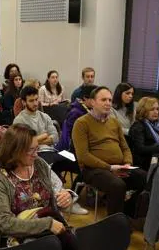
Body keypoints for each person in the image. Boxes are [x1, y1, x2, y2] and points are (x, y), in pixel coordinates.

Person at [72, 86, 147, 216]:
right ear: (93, 102)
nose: (108, 103)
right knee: (117, 185)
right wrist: (110, 168)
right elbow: (83, 156)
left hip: (119, 167)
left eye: (110, 100)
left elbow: (125, 148)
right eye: (103, 100)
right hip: (93, 170)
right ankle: (115, 223)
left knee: (146, 178)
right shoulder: (81, 123)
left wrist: (127, 164)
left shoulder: (114, 122)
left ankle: (128, 212)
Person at [13, 86, 85, 214]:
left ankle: (75, 194)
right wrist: (44, 136)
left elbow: (55, 137)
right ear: (24, 102)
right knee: (48, 168)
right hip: (36, 154)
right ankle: (63, 202)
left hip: (53, 151)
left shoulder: (44, 116)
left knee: (77, 160)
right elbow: (26, 144)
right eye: (31, 101)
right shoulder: (19, 120)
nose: (35, 103)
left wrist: (37, 139)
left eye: (36, 99)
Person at [129, 97, 159, 171]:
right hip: (145, 162)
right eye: (152, 109)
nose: (156, 112)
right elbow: (140, 149)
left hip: (158, 159)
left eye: (157, 109)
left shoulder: (156, 126)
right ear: (143, 111)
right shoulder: (138, 126)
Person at [56, 84, 97, 152]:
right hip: (72, 150)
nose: (96, 101)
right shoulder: (75, 113)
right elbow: (74, 137)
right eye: (94, 99)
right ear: (85, 98)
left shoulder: (88, 109)